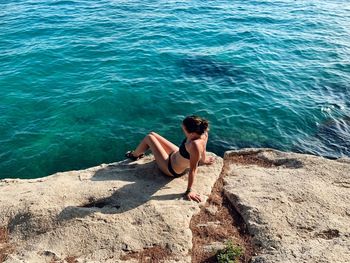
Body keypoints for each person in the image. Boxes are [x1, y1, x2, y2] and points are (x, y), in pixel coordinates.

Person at [125, 115, 215, 202]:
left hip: (170, 168)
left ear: (191, 133)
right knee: (152, 134)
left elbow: (193, 170)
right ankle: (137, 153)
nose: (182, 129)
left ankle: (134, 155)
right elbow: (204, 148)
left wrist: (189, 190)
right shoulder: (203, 133)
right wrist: (204, 160)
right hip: (175, 154)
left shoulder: (194, 145)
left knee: (149, 138)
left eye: (184, 129)